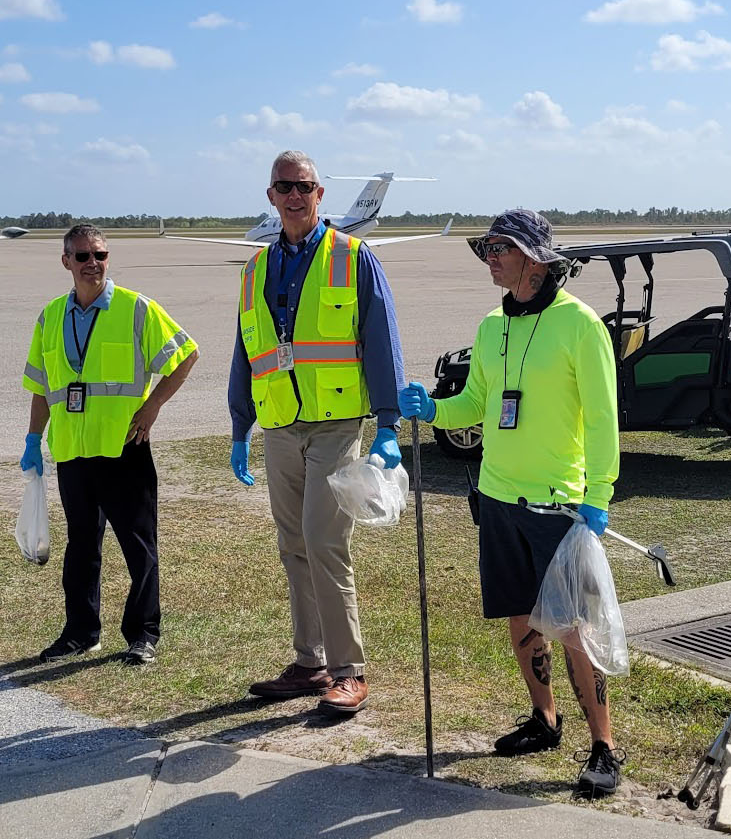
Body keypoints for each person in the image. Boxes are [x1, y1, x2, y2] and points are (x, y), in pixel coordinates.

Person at [397, 209, 623, 797]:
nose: (491, 256)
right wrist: (432, 411)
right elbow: (474, 403)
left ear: (536, 258)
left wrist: (597, 497)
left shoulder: (581, 325)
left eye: (502, 247)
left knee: (575, 629)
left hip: (561, 505)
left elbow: (603, 421)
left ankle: (604, 747)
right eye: (488, 247)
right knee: (521, 618)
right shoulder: (491, 325)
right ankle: (544, 720)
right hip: (497, 499)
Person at [229, 150, 406, 716]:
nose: (294, 196)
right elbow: (246, 350)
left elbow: (381, 339)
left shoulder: (353, 257)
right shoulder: (255, 269)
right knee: (292, 545)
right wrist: (240, 426)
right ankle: (310, 662)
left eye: (304, 186)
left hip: (335, 423)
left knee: (324, 540)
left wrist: (388, 423)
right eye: (284, 186)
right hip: (280, 423)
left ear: (320, 194)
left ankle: (350, 669)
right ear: (271, 195)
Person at [21, 224, 198, 665]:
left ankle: (143, 635)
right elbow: (41, 386)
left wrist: (152, 407)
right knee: (80, 546)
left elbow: (186, 354)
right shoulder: (50, 316)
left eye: (99, 255)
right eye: (82, 256)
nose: (92, 264)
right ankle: (81, 632)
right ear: (66, 262)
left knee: (138, 547)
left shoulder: (136, 308)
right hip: (73, 451)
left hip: (124, 448)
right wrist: (32, 438)